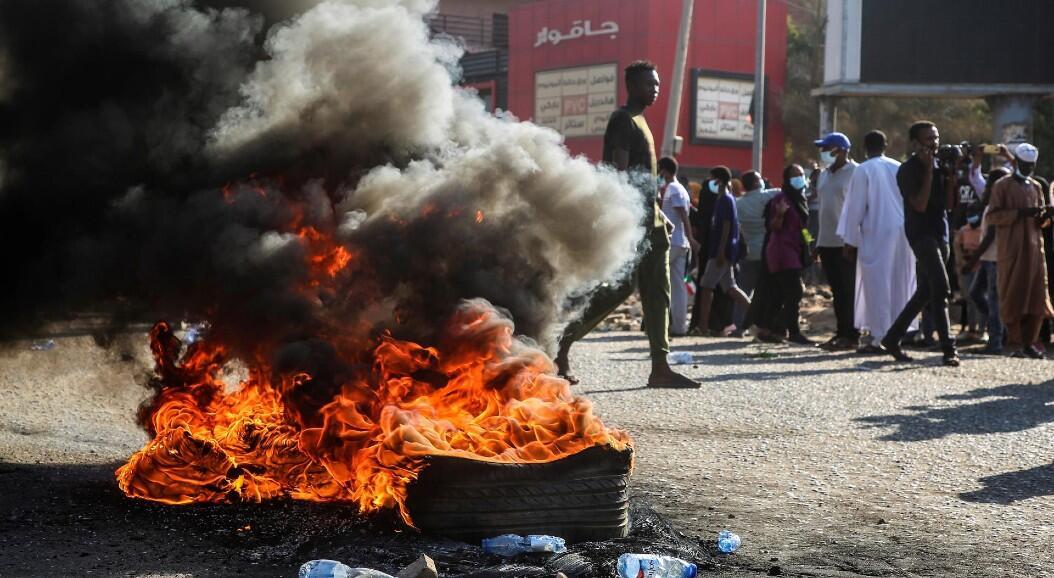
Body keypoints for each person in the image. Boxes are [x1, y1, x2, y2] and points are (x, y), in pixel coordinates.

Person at [555, 61, 699, 388]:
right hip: (633, 217)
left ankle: (660, 366)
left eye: (658, 84)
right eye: (650, 84)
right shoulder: (623, 120)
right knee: (619, 287)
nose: (655, 89)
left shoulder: (642, 121)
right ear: (632, 86)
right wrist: (626, 220)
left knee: (657, 290)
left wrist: (659, 216)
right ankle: (562, 343)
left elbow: (644, 178)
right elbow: (619, 174)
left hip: (651, 217)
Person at [881, 121, 960, 366]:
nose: (934, 143)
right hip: (920, 233)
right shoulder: (908, 170)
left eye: (936, 137)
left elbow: (948, 205)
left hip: (940, 232)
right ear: (915, 143)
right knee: (941, 286)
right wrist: (927, 171)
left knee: (926, 291)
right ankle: (949, 349)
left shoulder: (940, 167)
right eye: (928, 138)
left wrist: (950, 176)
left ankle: (893, 337)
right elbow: (919, 205)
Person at [837, 130, 917, 352]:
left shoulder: (864, 169)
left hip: (877, 232)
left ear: (865, 147)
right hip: (903, 230)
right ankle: (897, 334)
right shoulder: (897, 166)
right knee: (899, 281)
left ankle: (879, 337)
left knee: (877, 284)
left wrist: (850, 241)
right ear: (886, 145)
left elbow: (856, 207)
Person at [984, 143, 1054, 358]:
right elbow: (993, 216)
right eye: (1024, 164)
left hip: (1035, 251)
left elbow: (1042, 222)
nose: (1028, 168)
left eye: (1031, 165)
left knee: (1038, 298)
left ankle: (1029, 344)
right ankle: (1014, 343)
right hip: (1012, 250)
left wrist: (1045, 216)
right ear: (1017, 162)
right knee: (1012, 296)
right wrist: (1019, 213)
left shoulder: (1035, 186)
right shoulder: (1002, 186)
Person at [746, 164, 813, 345]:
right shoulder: (781, 199)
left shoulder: (800, 200)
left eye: (801, 174)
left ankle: (773, 329)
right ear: (786, 179)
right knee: (795, 291)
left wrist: (810, 245)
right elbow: (773, 226)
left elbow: (803, 228)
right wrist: (781, 214)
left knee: (780, 294)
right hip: (782, 252)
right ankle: (788, 329)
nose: (799, 178)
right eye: (795, 175)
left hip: (795, 251)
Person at [812, 132, 859, 350]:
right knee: (837, 291)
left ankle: (852, 335)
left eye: (827, 148)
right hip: (826, 241)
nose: (823, 152)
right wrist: (815, 242)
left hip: (846, 242)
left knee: (849, 291)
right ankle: (841, 332)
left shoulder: (855, 173)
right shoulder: (823, 175)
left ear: (841, 150)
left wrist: (853, 239)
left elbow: (859, 208)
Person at [693, 166, 751, 335]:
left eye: (712, 178)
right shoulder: (725, 199)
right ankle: (756, 316)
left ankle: (703, 327)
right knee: (730, 288)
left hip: (720, 253)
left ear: (718, 180)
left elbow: (727, 226)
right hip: (722, 251)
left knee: (706, 288)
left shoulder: (725, 199)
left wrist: (720, 251)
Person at [964, 167, 1010, 355]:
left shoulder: (998, 203)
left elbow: (990, 235)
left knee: (994, 300)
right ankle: (1000, 329)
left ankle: (996, 341)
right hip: (987, 258)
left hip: (994, 258)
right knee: (976, 294)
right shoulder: (991, 201)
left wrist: (972, 260)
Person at [659, 156, 700, 336]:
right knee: (678, 286)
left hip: (672, 241)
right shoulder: (680, 188)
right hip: (680, 242)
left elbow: (683, 215)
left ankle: (661, 324)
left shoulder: (673, 189)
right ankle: (678, 327)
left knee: (659, 281)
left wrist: (690, 237)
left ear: (664, 170)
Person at [732, 170, 777, 335]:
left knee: (744, 290)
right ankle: (764, 326)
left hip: (749, 253)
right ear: (758, 182)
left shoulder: (738, 204)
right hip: (767, 252)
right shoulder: (768, 196)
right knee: (766, 292)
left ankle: (740, 326)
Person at [953, 206, 984, 342]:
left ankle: (982, 330)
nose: (971, 217)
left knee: (981, 299)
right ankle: (971, 329)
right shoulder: (964, 231)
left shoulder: (984, 230)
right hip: (966, 270)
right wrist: (961, 264)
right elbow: (957, 247)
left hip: (980, 269)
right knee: (970, 300)